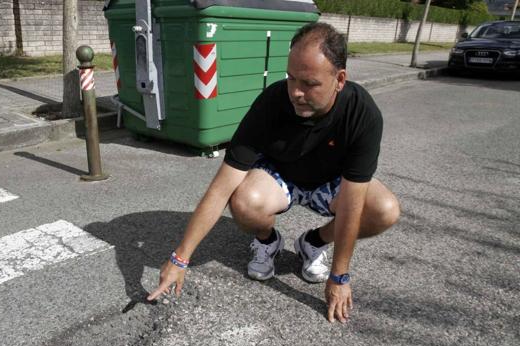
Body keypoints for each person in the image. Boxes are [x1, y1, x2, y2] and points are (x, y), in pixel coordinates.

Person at [147, 22, 400, 323]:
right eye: (291, 78)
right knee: (242, 200)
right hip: (281, 178)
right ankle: (268, 242)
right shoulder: (272, 103)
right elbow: (220, 189)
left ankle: (314, 242)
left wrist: (340, 275)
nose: (296, 92)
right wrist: (180, 257)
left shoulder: (362, 113)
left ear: (340, 79)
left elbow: (352, 202)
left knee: (384, 210)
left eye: (309, 83)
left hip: (330, 183)